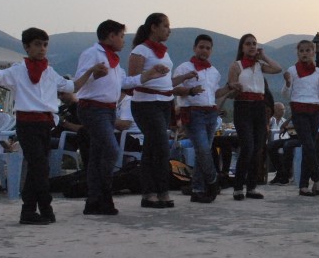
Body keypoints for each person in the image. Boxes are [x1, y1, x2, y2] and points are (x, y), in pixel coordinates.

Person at [0, 27, 103, 225]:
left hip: (45, 124)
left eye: (45, 44)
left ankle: (30, 210)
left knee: (38, 168)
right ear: (26, 47)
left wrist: (90, 72)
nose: (42, 48)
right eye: (38, 44)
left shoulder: (49, 71)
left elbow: (72, 86)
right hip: (27, 123)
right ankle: (43, 207)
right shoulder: (18, 70)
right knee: (39, 166)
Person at [76, 19, 170, 216]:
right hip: (93, 108)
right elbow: (78, 82)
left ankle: (94, 199)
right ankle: (104, 194)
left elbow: (125, 82)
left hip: (108, 109)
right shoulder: (92, 54)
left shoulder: (114, 61)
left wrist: (149, 75)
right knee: (111, 149)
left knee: (97, 154)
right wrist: (93, 74)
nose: (123, 40)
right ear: (111, 36)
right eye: (120, 36)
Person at [128, 13, 198, 209]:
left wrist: (183, 78)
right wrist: (151, 74)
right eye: (165, 26)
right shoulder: (141, 50)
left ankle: (153, 192)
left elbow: (166, 82)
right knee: (159, 145)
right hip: (145, 103)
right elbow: (133, 78)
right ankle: (157, 190)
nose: (169, 30)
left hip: (163, 102)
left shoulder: (164, 53)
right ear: (153, 27)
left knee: (154, 147)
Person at [173, 34, 232, 204]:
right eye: (201, 47)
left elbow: (214, 93)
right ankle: (213, 181)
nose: (204, 50)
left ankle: (198, 189)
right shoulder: (184, 68)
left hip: (211, 114)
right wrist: (190, 91)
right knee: (203, 150)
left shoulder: (213, 72)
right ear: (194, 48)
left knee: (202, 152)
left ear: (211, 51)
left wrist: (228, 88)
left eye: (207, 48)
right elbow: (174, 89)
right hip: (192, 112)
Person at [227, 34, 282, 200]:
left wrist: (263, 56)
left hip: (259, 107)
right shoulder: (236, 66)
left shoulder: (259, 65)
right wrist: (234, 87)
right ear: (242, 47)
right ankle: (238, 187)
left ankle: (251, 187)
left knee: (258, 148)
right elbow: (230, 89)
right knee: (248, 147)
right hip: (243, 106)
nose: (251, 46)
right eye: (248, 44)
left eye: (254, 43)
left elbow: (277, 68)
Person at [282, 40, 319, 197]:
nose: (305, 53)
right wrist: (288, 83)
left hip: (315, 110)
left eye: (308, 50)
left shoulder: (318, 72)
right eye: (301, 50)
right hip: (299, 110)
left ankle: (303, 186)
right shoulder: (292, 70)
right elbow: (286, 95)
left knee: (310, 148)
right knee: (308, 145)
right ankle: (317, 178)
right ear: (297, 53)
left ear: (313, 52)